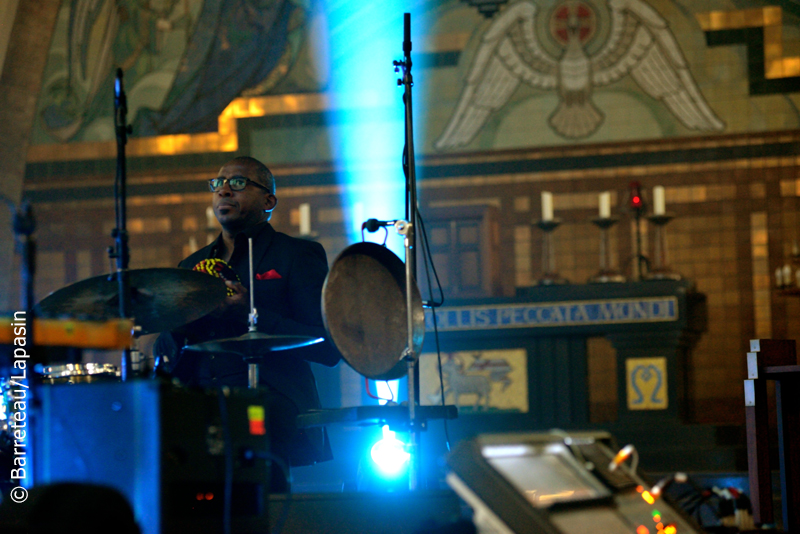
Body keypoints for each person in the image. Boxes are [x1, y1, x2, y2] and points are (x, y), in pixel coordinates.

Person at [155, 156, 340, 487]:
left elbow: (329, 346)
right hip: (204, 401)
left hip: (272, 399)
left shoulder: (297, 255)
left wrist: (252, 314)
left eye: (238, 183)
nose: (224, 190)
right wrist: (182, 323)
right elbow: (167, 357)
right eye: (218, 183)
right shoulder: (192, 264)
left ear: (268, 200)